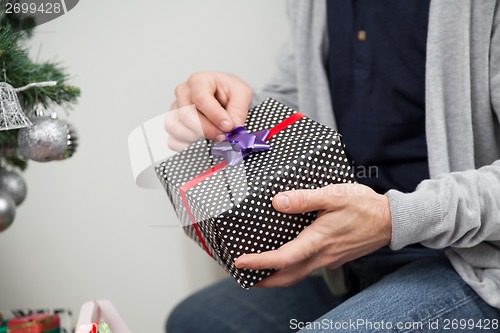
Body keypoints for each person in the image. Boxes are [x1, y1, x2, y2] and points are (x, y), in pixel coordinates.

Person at [164, 1, 500, 332]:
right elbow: (300, 97)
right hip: (344, 259)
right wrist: (235, 111)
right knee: (193, 320)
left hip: (473, 256)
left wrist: (393, 218)